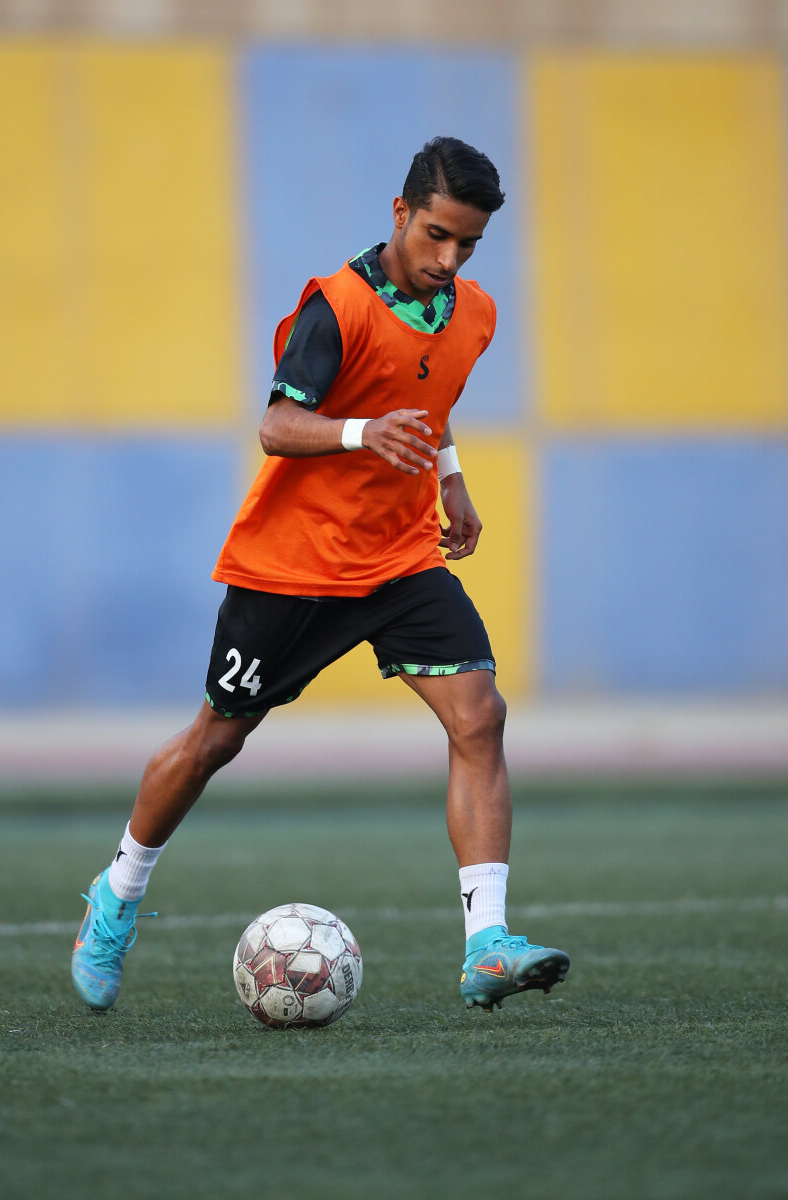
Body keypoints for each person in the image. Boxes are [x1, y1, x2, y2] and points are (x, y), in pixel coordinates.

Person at [72, 136, 570, 1014]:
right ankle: (115, 895)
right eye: (437, 235)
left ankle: (487, 943)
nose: (449, 259)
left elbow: (431, 401)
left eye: (468, 244)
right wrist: (361, 434)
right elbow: (275, 426)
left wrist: (450, 476)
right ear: (401, 213)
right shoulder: (336, 308)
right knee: (214, 742)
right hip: (293, 566)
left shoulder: (473, 313)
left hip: (400, 557)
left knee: (480, 715)